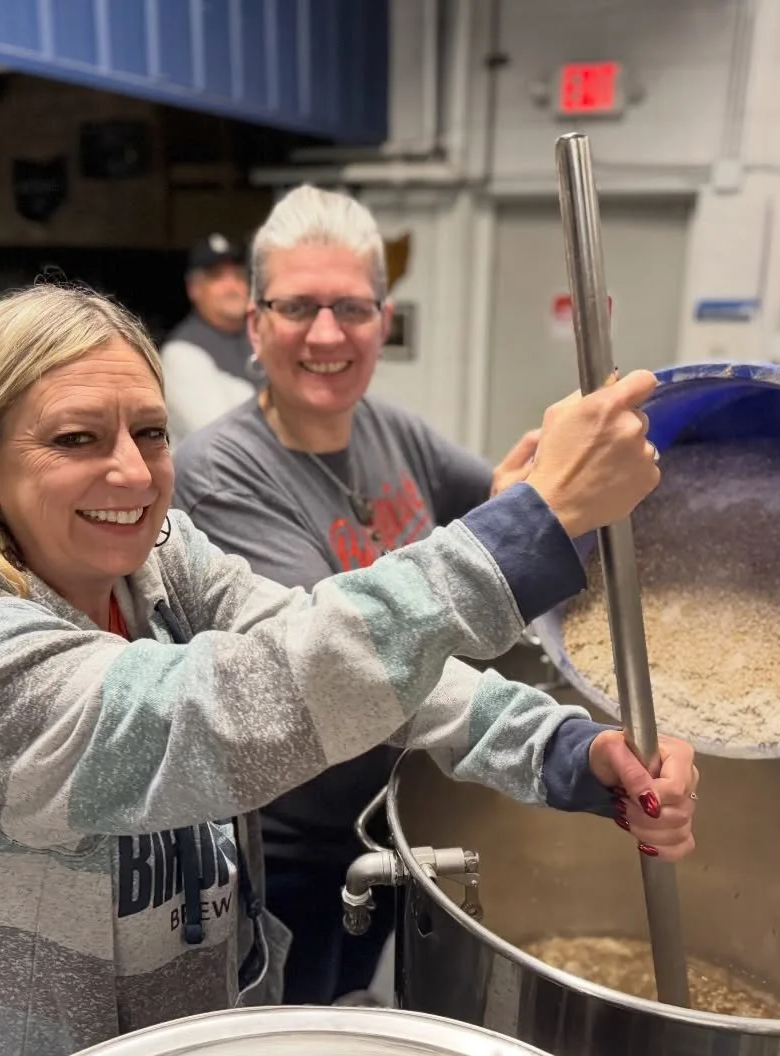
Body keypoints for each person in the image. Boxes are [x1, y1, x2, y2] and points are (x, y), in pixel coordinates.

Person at [0, 283, 697, 1056]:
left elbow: (307, 643)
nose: (135, 476)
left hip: (200, 1042)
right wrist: (523, 530)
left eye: (149, 432)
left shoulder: (158, 559)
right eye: (76, 439)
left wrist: (557, 748)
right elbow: (215, 713)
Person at [171, 185, 547, 1005]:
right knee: (291, 1041)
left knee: (356, 1009)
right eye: (299, 306)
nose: (328, 334)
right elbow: (339, 662)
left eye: (352, 307)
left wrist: (541, 490)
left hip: (387, 815)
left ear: (384, 317)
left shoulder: (391, 428)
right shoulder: (223, 473)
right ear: (255, 321)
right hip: (286, 848)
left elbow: (497, 502)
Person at [159, 233, 257, 439]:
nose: (232, 287)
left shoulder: (264, 338)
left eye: (239, 276)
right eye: (217, 277)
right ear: (194, 288)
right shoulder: (181, 352)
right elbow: (221, 439)